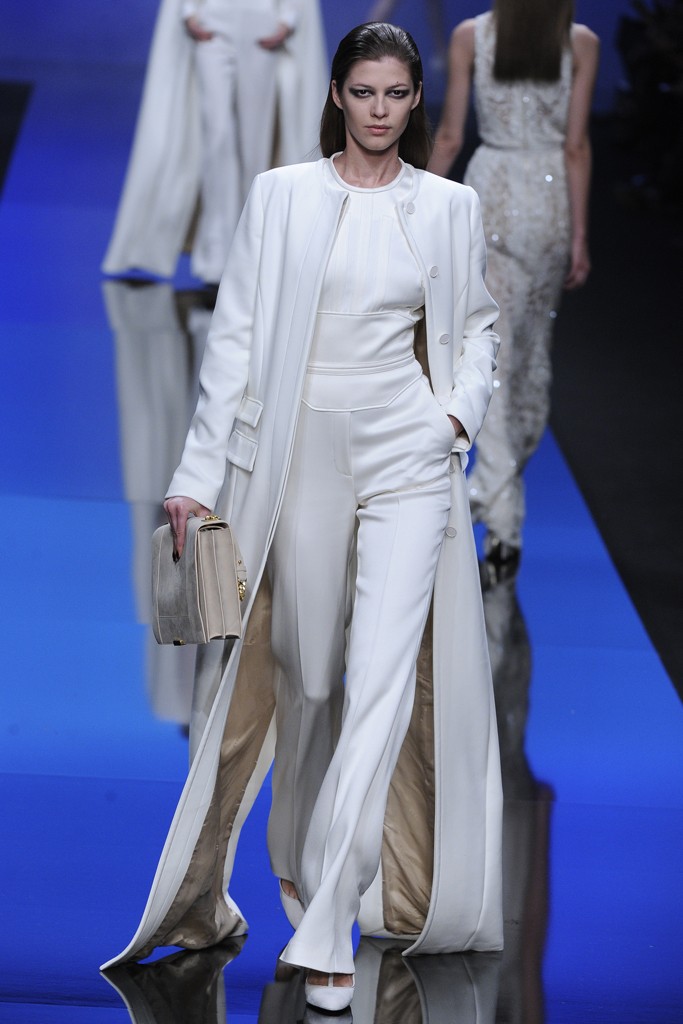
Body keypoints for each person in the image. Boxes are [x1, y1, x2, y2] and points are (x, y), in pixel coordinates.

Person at [101, 23, 503, 1014]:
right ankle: (297, 851)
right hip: (305, 451)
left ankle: (329, 922)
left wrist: (453, 418)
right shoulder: (281, 195)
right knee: (310, 675)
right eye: (362, 92)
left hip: (408, 452)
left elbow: (477, 326)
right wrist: (196, 473)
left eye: (395, 94)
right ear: (335, 95)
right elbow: (234, 339)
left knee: (380, 684)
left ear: (416, 99)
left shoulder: (448, 206)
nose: (379, 110)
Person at [429, 0, 599, 570]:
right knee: (527, 354)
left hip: (492, 194)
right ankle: (503, 510)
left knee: (492, 351)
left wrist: (407, 209)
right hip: (549, 207)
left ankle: (495, 499)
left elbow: (450, 137)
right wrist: (579, 237)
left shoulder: (470, 35)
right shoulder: (582, 42)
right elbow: (576, 146)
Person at [102, 0, 328, 283]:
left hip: (262, 26)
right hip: (214, 24)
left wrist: (288, 19)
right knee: (216, 139)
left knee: (254, 147)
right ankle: (215, 253)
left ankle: (252, 249)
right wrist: (188, 12)